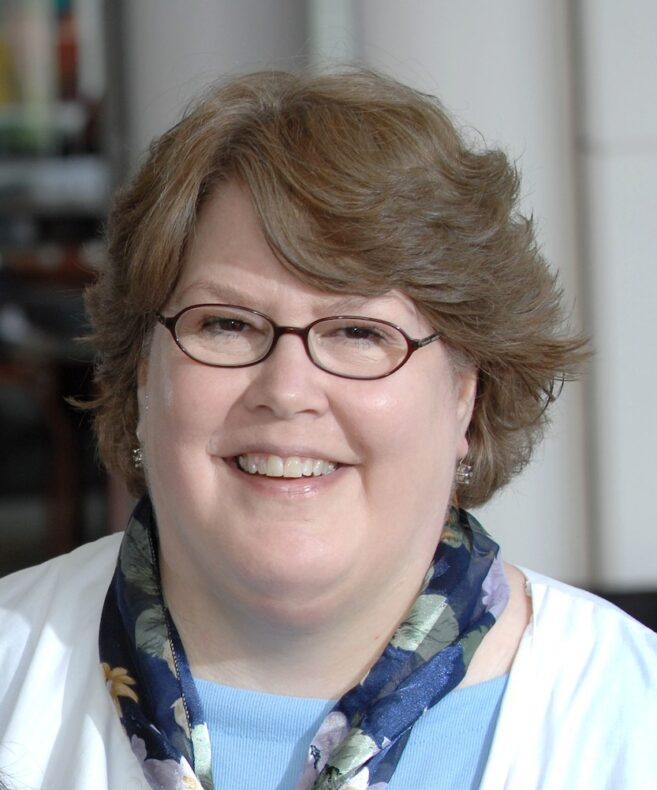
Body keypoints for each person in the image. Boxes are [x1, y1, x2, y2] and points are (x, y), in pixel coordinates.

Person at [0, 69, 655, 790]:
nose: (287, 391)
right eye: (226, 324)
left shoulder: (632, 716)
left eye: (358, 332)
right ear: (142, 374)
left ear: (465, 394)